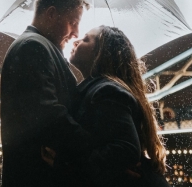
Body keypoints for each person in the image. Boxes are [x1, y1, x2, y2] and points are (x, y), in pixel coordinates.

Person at [0, 0, 92, 187]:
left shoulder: (38, 46)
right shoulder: (33, 47)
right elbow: (49, 116)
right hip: (40, 177)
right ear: (51, 14)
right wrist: (101, 149)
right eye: (73, 22)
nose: (76, 33)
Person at [67, 26, 169, 187]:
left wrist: (69, 165)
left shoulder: (106, 91)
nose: (76, 41)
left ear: (101, 53)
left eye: (85, 39)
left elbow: (126, 149)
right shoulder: (103, 88)